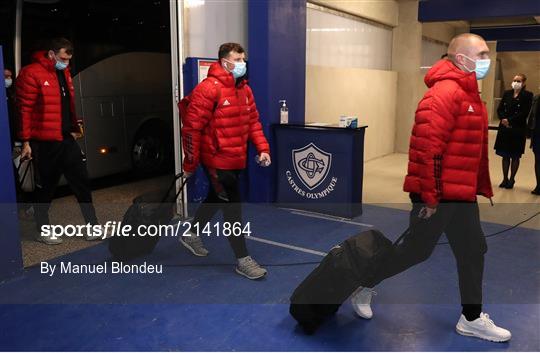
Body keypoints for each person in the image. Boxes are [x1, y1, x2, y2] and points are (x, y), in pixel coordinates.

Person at [350, 33, 511, 342]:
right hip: (436, 194)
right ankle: (364, 284)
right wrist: (431, 197)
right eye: (480, 55)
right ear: (460, 58)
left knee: (474, 249)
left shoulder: (470, 93)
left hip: (460, 194)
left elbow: (466, 150)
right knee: (415, 252)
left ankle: (472, 317)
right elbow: (428, 150)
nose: (485, 61)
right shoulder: (443, 93)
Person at [180, 42, 271, 280]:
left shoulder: (244, 90)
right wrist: (189, 165)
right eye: (237, 60)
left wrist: (263, 148)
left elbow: (253, 122)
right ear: (224, 62)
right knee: (233, 208)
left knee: (216, 197)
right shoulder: (208, 89)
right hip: (216, 160)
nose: (242, 64)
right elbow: (191, 130)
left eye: (243, 60)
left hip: (236, 158)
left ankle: (191, 233)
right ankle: (242, 259)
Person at [17, 38, 100, 244]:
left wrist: (73, 127)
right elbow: (24, 110)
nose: (66, 62)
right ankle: (42, 229)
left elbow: (66, 105)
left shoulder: (64, 72)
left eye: (69, 59)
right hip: (44, 142)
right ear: (51, 54)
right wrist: (25, 141)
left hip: (65, 138)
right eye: (63, 58)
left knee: (81, 181)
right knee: (46, 188)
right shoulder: (31, 73)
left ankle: (92, 225)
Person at [494, 74, 533, 189]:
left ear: (524, 83)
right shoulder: (507, 93)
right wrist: (503, 119)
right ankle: (505, 178)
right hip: (504, 129)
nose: (516, 82)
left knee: (515, 156)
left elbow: (525, 112)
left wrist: (509, 120)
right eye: (514, 80)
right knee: (505, 155)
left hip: (517, 129)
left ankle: (512, 179)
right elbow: (500, 109)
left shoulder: (527, 95)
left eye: (519, 81)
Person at [528, 94, 540, 195]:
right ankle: (538, 185)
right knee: (538, 160)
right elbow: (532, 115)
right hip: (538, 133)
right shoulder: (536, 98)